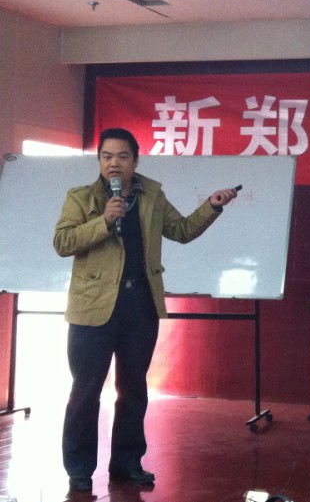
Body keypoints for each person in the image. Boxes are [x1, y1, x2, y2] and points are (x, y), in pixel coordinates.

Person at [53, 128, 238, 492]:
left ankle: (126, 463)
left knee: (134, 389)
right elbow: (63, 241)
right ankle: (79, 467)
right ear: (99, 161)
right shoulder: (81, 197)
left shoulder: (152, 194)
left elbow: (181, 230)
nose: (114, 163)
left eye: (122, 156)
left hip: (139, 305)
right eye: (107, 156)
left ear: (135, 161)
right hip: (93, 307)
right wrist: (104, 221)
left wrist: (212, 206)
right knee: (86, 390)